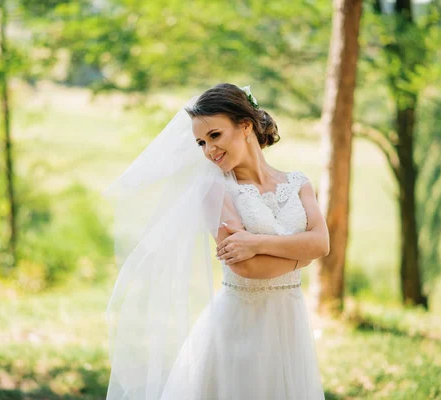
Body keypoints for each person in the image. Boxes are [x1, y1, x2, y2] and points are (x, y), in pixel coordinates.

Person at [103, 83, 329, 399]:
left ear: (246, 125)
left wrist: (256, 242)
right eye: (200, 142)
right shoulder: (215, 189)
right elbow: (248, 268)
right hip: (239, 327)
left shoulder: (299, 183)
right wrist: (301, 255)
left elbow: (322, 244)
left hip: (289, 322)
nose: (209, 150)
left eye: (215, 135)